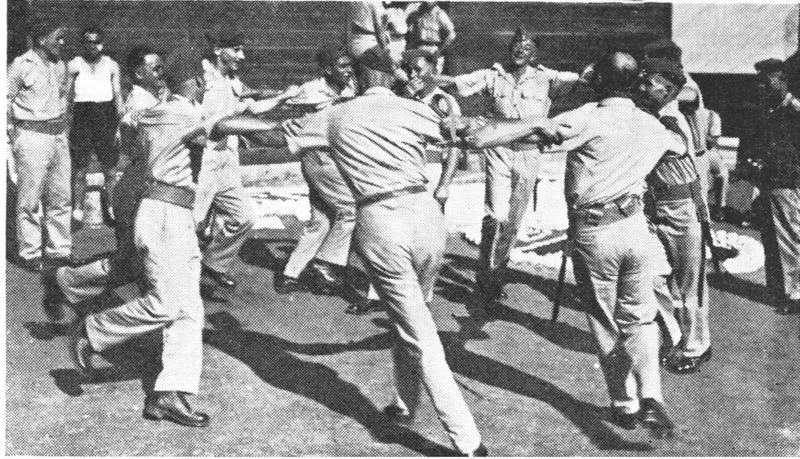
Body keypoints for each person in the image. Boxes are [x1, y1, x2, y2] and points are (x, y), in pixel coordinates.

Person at [466, 52, 684, 435]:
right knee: (640, 316)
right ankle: (652, 394)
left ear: (599, 81)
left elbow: (536, 133)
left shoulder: (588, 116)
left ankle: (625, 403)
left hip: (596, 233)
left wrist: (484, 131)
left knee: (604, 319)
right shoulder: (652, 125)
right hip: (636, 228)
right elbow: (680, 147)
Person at [69, 46, 287, 427]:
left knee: (189, 311)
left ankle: (170, 395)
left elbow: (219, 125)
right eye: (202, 77)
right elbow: (223, 126)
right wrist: (281, 127)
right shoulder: (178, 112)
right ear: (195, 80)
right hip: (165, 216)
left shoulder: (167, 111)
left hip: (176, 214)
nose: (206, 83)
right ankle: (94, 331)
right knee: (167, 304)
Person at [323, 47, 486, 455]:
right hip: (428, 216)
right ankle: (403, 403)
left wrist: (220, 126)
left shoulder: (334, 113)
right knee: (413, 317)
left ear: (358, 78)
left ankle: (468, 442)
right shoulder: (416, 110)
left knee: (419, 331)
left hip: (381, 219)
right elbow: (462, 134)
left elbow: (269, 132)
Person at [433, 27, 586, 302]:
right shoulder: (493, 76)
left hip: (530, 154)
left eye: (527, 47)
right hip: (498, 150)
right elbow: (455, 84)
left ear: (534, 53)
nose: (520, 50)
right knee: (497, 215)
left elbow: (586, 82)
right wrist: (424, 77)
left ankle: (496, 272)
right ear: (510, 48)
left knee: (513, 222)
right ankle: (486, 277)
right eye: (516, 45)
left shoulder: (548, 78)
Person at [42, 46, 167, 321]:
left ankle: (68, 281)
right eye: (156, 69)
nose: (162, 73)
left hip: (147, 186)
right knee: (140, 262)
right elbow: (141, 133)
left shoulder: (156, 99)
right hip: (137, 189)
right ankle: (76, 288)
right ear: (138, 73)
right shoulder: (140, 105)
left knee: (135, 261)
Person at [195, 29, 300, 290]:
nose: (241, 55)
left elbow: (252, 106)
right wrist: (268, 128)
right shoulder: (201, 77)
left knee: (244, 217)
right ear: (219, 49)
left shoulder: (231, 80)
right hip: (203, 157)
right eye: (236, 49)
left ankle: (214, 263)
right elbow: (215, 123)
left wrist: (284, 96)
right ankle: (167, 276)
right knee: (192, 222)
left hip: (227, 157)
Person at [636, 58, 712, 374]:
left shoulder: (672, 121)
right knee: (651, 277)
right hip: (655, 208)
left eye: (648, 83)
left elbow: (674, 149)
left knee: (689, 284)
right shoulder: (652, 116)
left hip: (681, 210)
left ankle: (697, 345)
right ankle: (676, 335)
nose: (641, 87)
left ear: (667, 90)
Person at [275, 44, 359, 295]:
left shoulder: (351, 87)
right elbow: (285, 105)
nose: (348, 70)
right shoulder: (311, 90)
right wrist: (294, 125)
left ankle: (290, 274)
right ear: (326, 69)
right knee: (350, 209)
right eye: (342, 66)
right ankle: (325, 262)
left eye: (349, 65)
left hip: (337, 159)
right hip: (319, 159)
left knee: (321, 219)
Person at [7, 20, 72, 273]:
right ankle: (30, 253)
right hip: (32, 136)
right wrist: (11, 134)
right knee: (29, 199)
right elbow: (6, 100)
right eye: (58, 38)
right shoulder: (21, 65)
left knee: (61, 196)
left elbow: (64, 98)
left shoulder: (61, 65)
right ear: (42, 39)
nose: (62, 43)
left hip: (58, 136)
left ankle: (60, 251)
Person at [751, 58, 800, 315]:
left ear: (782, 80)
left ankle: (796, 293)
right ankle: (780, 289)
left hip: (788, 182)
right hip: (771, 181)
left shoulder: (793, 110)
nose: (762, 86)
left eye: (766, 81)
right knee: (773, 236)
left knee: (790, 238)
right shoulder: (770, 109)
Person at [67, 25, 125, 221]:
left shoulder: (111, 65)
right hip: (82, 116)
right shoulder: (74, 64)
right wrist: (67, 125)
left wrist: (118, 125)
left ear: (102, 44)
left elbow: (117, 95)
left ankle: (112, 206)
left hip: (105, 116)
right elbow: (67, 97)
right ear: (83, 44)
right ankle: (77, 209)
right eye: (88, 42)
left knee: (110, 167)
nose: (93, 46)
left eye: (96, 42)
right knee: (80, 167)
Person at [405, 1, 456, 73]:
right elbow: (408, 31)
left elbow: (451, 34)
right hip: (418, 50)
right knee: (417, 78)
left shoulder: (440, 14)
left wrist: (438, 51)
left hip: (433, 49)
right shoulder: (416, 12)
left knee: (431, 79)